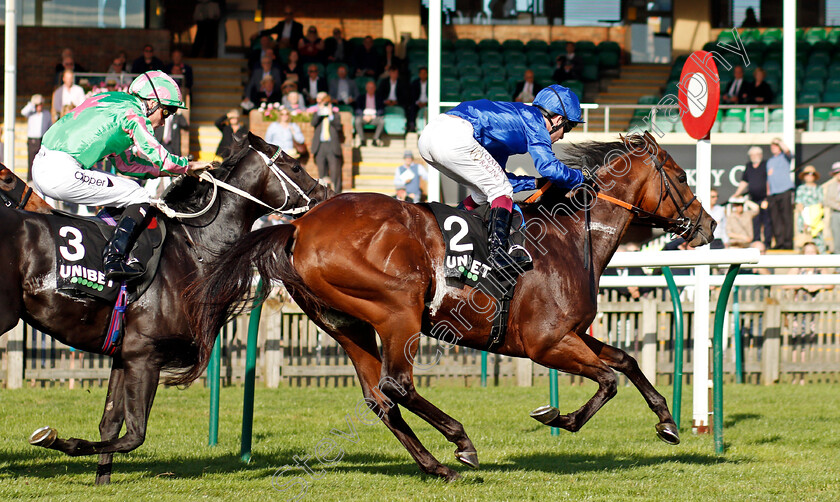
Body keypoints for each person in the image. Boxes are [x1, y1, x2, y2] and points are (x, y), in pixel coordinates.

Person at [32, 71, 208, 280]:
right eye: (167, 112)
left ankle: (97, 240)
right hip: (62, 171)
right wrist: (188, 165)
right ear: (151, 103)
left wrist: (165, 170)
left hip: (43, 164)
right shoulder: (134, 114)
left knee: (126, 191)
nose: (163, 122)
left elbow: (127, 165)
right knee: (139, 195)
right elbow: (163, 158)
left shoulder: (113, 101)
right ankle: (113, 258)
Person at [418, 84, 588, 271]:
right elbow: (549, 168)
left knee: (484, 193)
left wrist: (534, 182)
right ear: (558, 119)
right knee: (500, 190)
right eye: (568, 127)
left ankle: (446, 235)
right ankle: (497, 254)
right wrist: (581, 178)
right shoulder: (535, 121)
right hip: (453, 136)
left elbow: (501, 177)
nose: (563, 136)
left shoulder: (511, 126)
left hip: (429, 138)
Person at [731, 145, 771, 247]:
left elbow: (770, 182)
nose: (754, 157)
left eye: (756, 155)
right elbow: (744, 181)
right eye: (752, 155)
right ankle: (756, 240)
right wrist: (737, 193)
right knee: (755, 221)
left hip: (765, 199)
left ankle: (767, 242)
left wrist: (767, 198)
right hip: (753, 199)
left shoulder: (765, 165)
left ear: (760, 155)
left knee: (766, 221)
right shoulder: (749, 166)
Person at [311, 92, 344, 192]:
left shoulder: (335, 115)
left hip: (332, 146)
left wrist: (330, 114)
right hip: (320, 146)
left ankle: (337, 194)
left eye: (326, 103)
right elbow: (313, 123)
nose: (325, 105)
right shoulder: (317, 114)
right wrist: (320, 111)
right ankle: (323, 195)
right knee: (322, 174)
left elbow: (338, 127)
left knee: (335, 174)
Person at [766, 138, 794, 249]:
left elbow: (788, 152)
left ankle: (788, 243)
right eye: (772, 146)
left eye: (776, 145)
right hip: (773, 193)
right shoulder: (770, 161)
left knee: (787, 217)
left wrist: (780, 142)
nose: (773, 147)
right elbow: (769, 178)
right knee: (775, 219)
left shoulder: (784, 157)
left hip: (785, 190)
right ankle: (779, 242)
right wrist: (768, 193)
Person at [21, 94, 52, 181]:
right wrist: (32, 103)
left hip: (42, 139)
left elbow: (50, 126)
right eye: (37, 104)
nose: (39, 106)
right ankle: (30, 179)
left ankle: (41, 179)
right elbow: (23, 112)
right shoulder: (31, 113)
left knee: (42, 161)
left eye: (41, 104)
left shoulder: (46, 113)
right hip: (32, 140)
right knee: (31, 161)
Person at [795, 165, 825, 252]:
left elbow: (820, 203)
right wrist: (806, 219)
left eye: (811, 174)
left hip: (816, 219)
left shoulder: (819, 188)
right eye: (807, 174)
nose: (809, 176)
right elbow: (799, 205)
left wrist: (814, 219)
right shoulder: (801, 189)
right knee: (805, 244)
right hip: (804, 218)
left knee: (818, 243)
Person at [354, 80, 385, 147]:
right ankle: (362, 140)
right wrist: (363, 116)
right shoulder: (361, 98)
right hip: (364, 117)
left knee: (382, 121)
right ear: (366, 88)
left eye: (372, 87)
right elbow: (357, 109)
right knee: (357, 121)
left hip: (374, 117)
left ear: (375, 88)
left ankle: (375, 139)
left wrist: (372, 116)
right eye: (369, 87)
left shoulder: (379, 98)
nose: (371, 89)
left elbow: (381, 110)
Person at [822, 162, 840, 253]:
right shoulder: (831, 186)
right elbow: (828, 200)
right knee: (837, 238)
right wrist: (838, 205)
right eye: (837, 173)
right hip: (835, 214)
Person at [408, 66, 428, 133]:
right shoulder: (415, 83)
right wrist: (418, 103)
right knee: (412, 108)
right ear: (419, 74)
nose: (423, 75)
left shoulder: (431, 83)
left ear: (427, 74)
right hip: (417, 103)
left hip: (428, 104)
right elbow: (412, 96)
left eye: (424, 73)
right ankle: (412, 126)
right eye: (421, 73)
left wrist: (426, 103)